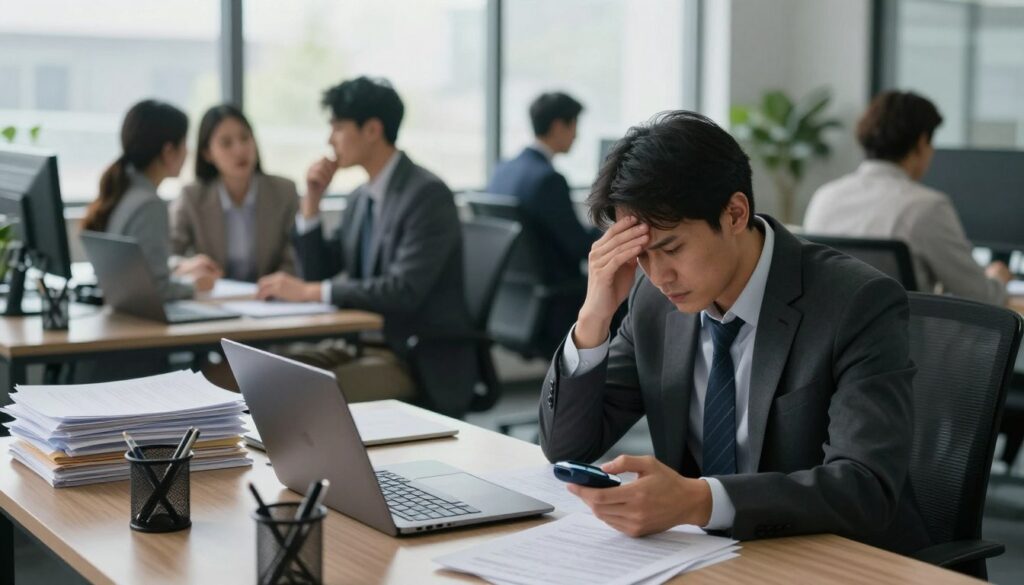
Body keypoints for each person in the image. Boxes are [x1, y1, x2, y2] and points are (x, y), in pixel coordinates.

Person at [540, 111, 930, 554]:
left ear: (735, 213)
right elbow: (567, 447)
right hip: (707, 559)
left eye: (672, 248)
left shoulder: (856, 303)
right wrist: (594, 316)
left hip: (837, 558)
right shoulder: (652, 302)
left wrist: (700, 501)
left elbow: (865, 487)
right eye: (642, 255)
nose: (659, 275)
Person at [256, 76, 474, 408]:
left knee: (295, 393)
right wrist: (311, 203)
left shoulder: (427, 195)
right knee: (263, 375)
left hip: (414, 357)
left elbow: (403, 290)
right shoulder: (361, 197)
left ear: (372, 130)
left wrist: (308, 292)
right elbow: (319, 271)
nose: (330, 139)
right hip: (360, 344)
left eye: (338, 127)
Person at [804, 90, 1009, 305]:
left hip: (832, 337)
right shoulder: (927, 207)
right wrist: (998, 279)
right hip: (899, 337)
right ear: (921, 142)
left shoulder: (824, 197)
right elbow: (980, 296)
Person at [81, 99, 217, 300]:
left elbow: (137, 268)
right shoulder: (149, 205)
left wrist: (177, 266)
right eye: (184, 142)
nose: (188, 151)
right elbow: (157, 290)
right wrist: (194, 286)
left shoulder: (124, 191)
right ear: (169, 151)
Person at [171, 104, 300, 282]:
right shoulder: (192, 197)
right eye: (226, 143)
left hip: (271, 300)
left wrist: (279, 283)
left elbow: (295, 257)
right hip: (214, 300)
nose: (239, 150)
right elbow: (169, 256)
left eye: (245, 138)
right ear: (207, 153)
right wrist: (187, 267)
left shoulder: (284, 192)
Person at [488, 92, 597, 283]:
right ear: (557, 126)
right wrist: (614, 234)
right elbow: (579, 246)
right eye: (573, 126)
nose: (576, 136)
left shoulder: (502, 170)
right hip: (560, 290)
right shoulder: (548, 180)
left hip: (513, 289)